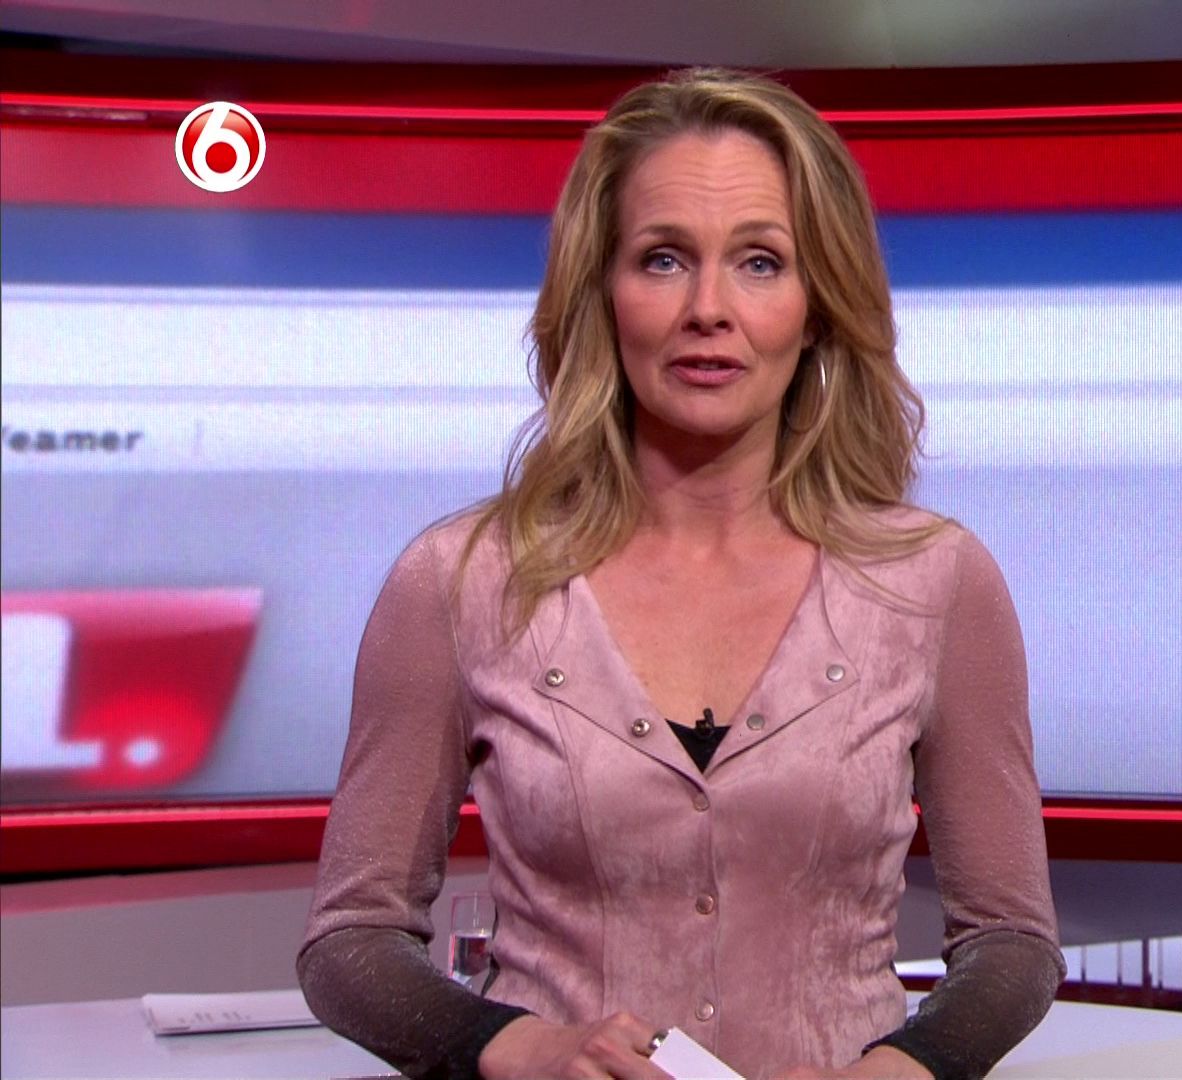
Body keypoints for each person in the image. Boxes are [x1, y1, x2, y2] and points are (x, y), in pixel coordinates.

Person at [297, 68, 1063, 1080]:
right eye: (663, 259)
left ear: (818, 305)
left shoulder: (934, 583)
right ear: (601, 295)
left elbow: (1011, 941)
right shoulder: (462, 581)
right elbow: (351, 943)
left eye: (760, 262)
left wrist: (904, 1069)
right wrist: (517, 1049)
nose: (709, 309)